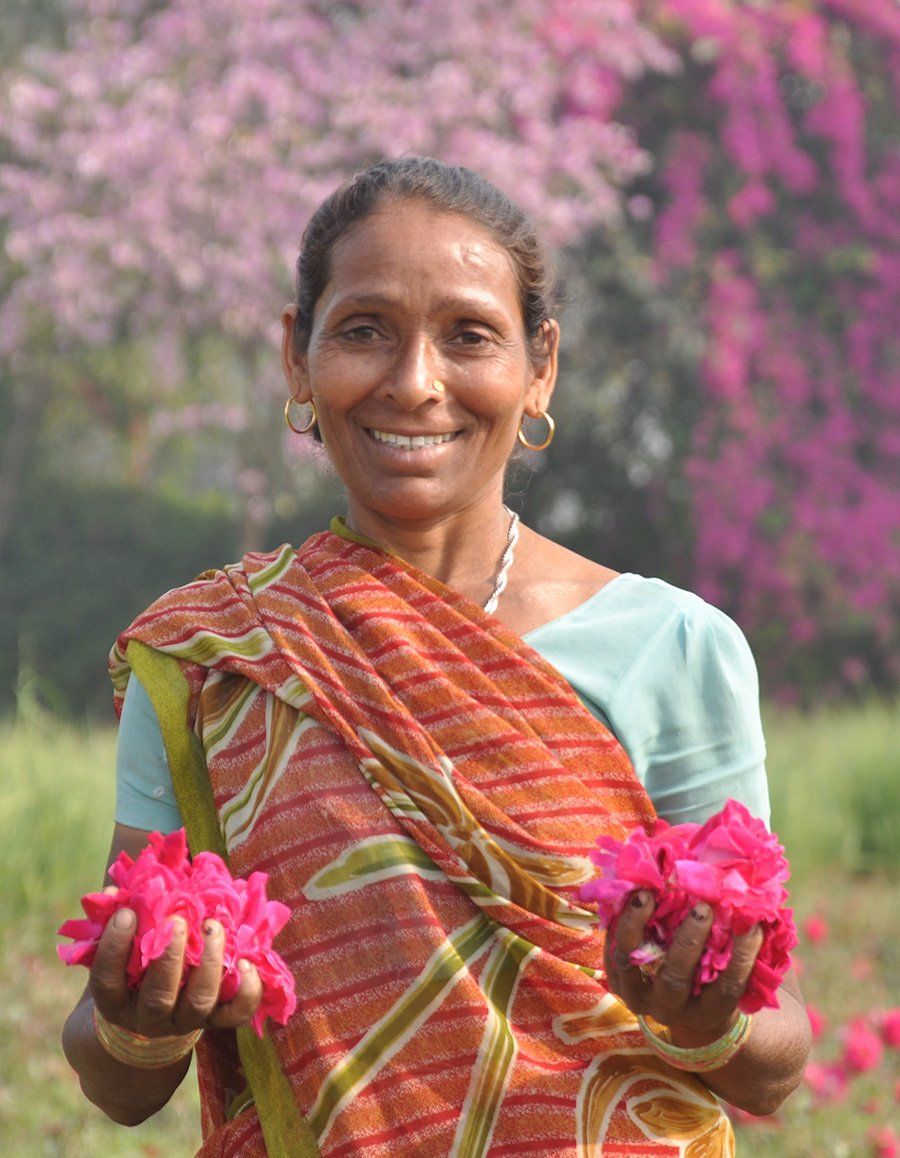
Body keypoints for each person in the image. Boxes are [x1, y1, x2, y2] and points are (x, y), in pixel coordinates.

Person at [62, 157, 811, 1156]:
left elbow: (778, 1057)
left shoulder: (674, 650)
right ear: (298, 355)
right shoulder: (214, 661)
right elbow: (116, 1084)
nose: (415, 384)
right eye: (365, 329)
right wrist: (143, 1018)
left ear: (539, 365)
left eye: (470, 336)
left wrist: (707, 1015)